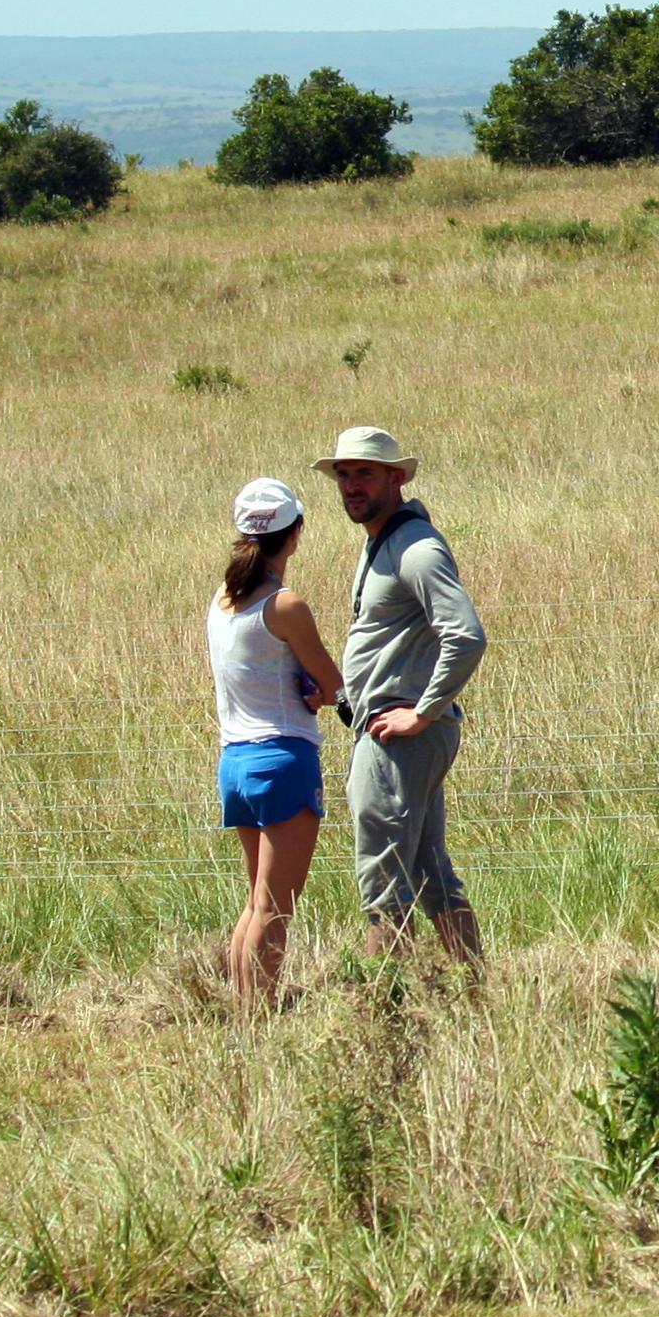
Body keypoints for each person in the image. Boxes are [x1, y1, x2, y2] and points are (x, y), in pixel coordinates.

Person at [315, 426, 488, 964]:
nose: (350, 486)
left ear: (396, 477)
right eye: (343, 475)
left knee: (383, 882)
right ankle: (477, 994)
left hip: (398, 738)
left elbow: (466, 635)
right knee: (430, 872)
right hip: (401, 733)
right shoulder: (386, 541)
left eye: (364, 473)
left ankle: (385, 1011)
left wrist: (422, 713)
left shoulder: (415, 548)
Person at [211, 477, 341, 1005]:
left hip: (236, 762)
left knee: (255, 904)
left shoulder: (221, 600)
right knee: (274, 908)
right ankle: (257, 1020)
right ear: (296, 532)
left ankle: (245, 1015)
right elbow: (332, 685)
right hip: (283, 759)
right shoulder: (286, 606)